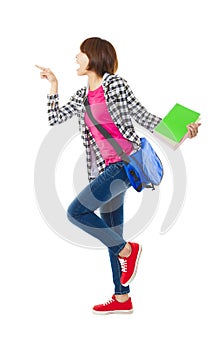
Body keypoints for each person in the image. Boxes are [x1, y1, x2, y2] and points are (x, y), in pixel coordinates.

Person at [36, 37, 200, 314]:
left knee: (76, 213)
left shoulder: (115, 85)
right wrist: (53, 85)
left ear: (95, 57)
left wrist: (183, 130)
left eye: (82, 53)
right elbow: (54, 119)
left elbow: (142, 115)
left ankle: (127, 250)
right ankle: (122, 298)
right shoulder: (81, 96)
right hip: (104, 171)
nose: (76, 57)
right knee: (112, 233)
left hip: (125, 165)